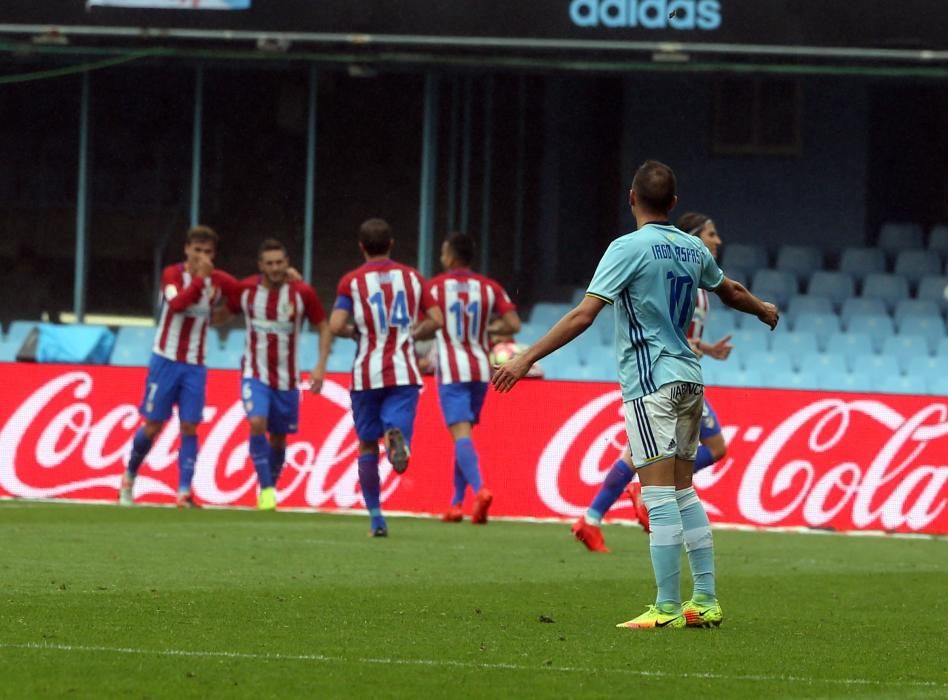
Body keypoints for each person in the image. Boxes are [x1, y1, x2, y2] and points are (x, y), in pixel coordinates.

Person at [493, 161, 778, 630]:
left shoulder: (627, 249)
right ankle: (704, 600)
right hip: (691, 379)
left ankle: (667, 607)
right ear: (674, 203)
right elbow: (730, 291)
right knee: (684, 490)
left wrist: (526, 356)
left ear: (631, 198)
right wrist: (762, 309)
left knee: (659, 493)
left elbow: (584, 315)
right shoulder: (692, 248)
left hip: (652, 383)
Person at [571, 211, 734, 552]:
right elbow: (663, 331)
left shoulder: (698, 283)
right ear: (693, 237)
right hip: (666, 378)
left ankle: (593, 517)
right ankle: (610, 510)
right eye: (711, 233)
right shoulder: (683, 277)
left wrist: (704, 347)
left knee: (640, 454)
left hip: (676, 377)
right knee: (695, 450)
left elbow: (679, 333)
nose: (717, 240)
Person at [329, 218, 444, 537]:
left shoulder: (351, 282)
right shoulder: (412, 278)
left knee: (366, 444)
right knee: (397, 426)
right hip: (403, 369)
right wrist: (413, 331)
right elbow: (436, 319)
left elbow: (336, 324)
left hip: (366, 373)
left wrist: (357, 332)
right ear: (391, 244)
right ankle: (397, 437)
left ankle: (377, 519)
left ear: (361, 247)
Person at [119, 225, 238, 508]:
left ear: (214, 254)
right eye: (197, 250)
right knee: (153, 426)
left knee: (189, 426)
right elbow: (177, 305)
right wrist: (199, 281)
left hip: (195, 364)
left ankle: (184, 492)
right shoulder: (172, 275)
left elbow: (245, 293)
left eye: (207, 252)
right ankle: (129, 478)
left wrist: (224, 314)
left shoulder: (218, 280)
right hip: (165, 360)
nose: (202, 257)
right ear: (186, 249)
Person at [228, 238, 331, 511]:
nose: (275, 268)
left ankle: (269, 489)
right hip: (254, 373)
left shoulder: (302, 293)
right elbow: (223, 306)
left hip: (287, 379)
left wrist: (320, 365)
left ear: (287, 263)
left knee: (279, 437)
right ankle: (266, 491)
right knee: (257, 422)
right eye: (269, 263)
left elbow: (323, 326)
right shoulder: (246, 290)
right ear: (260, 265)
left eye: (279, 262)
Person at [426, 232, 521, 524]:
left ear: (452, 257)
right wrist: (486, 332)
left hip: (452, 370)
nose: (441, 258)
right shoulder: (489, 287)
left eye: (443, 252)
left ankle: (480, 490)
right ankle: (456, 503)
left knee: (461, 435)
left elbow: (426, 322)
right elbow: (513, 324)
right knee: (464, 436)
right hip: (481, 368)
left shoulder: (434, 288)